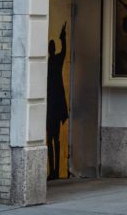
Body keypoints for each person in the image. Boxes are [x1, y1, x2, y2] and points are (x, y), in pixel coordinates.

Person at [46, 23, 69, 180]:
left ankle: (57, 170)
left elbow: (65, 51)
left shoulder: (57, 60)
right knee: (50, 139)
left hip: (55, 103)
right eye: (51, 46)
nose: (52, 48)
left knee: (55, 138)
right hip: (50, 104)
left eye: (53, 45)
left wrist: (64, 39)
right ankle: (53, 171)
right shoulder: (47, 62)